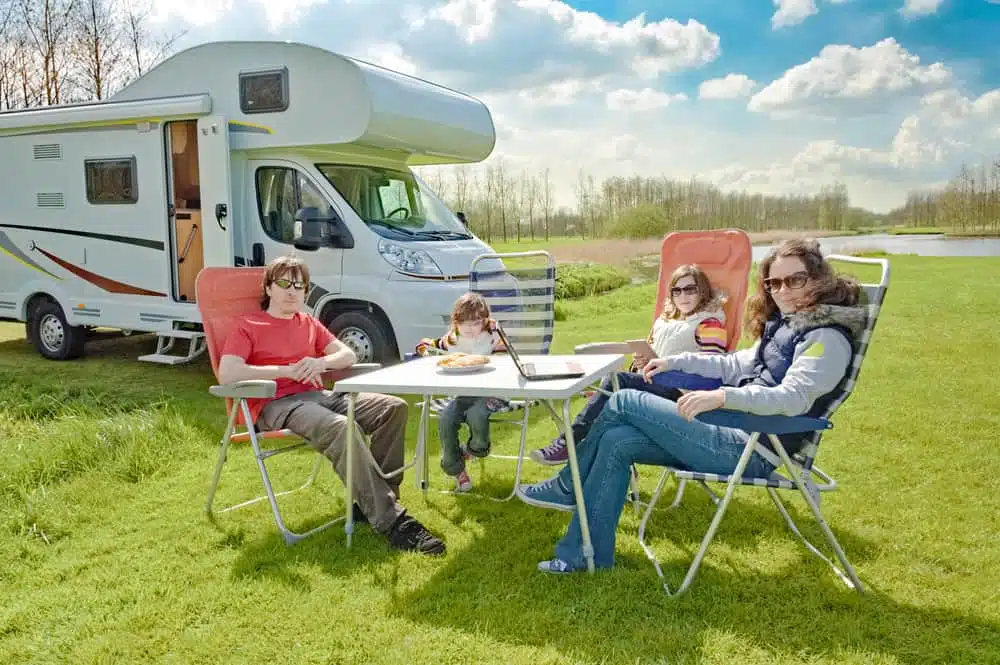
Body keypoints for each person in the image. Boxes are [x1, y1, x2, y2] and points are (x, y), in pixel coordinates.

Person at [518, 238, 868, 573]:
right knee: (616, 441)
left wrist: (721, 396)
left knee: (623, 398)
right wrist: (674, 363)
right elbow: (732, 364)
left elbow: (792, 398)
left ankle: (567, 485)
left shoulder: (827, 338)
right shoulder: (786, 327)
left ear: (819, 280)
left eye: (795, 280)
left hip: (752, 448)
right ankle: (582, 556)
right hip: (729, 428)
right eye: (774, 283)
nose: (782, 291)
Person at [217, 255, 446, 556]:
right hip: (278, 403)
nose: (292, 291)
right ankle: (393, 522)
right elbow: (228, 372)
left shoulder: (308, 323)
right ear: (269, 288)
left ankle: (374, 502)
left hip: (320, 397)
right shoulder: (249, 325)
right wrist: (285, 370)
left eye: (300, 286)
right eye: (284, 283)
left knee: (393, 408)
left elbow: (347, 355)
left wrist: (319, 361)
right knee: (341, 428)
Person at [527, 264, 728, 468]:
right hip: (653, 384)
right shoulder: (665, 322)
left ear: (701, 291)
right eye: (677, 290)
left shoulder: (709, 324)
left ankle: (568, 442)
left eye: (690, 289)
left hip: (681, 394)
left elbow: (712, 370)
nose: (683, 295)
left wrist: (666, 369)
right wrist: (639, 363)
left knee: (617, 381)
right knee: (610, 409)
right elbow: (643, 363)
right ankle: (579, 455)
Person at [415, 292, 507, 492]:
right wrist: (424, 349)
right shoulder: (453, 339)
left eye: (476, 323)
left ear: (485, 321)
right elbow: (428, 345)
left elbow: (506, 361)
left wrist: (495, 331)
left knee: (476, 414)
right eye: (464, 323)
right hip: (465, 394)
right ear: (455, 323)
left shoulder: (492, 335)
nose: (470, 329)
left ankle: (475, 449)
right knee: (446, 419)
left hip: (494, 392)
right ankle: (455, 468)